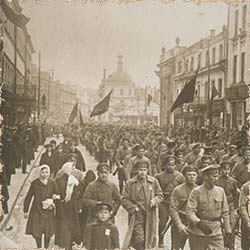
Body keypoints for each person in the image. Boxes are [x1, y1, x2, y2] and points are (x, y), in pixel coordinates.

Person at [186, 164, 231, 250]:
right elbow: (190, 211)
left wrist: (228, 230)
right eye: (214, 176)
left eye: (217, 176)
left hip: (216, 231)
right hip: (198, 232)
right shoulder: (196, 192)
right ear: (206, 177)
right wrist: (199, 223)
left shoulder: (220, 191)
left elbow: (225, 212)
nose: (216, 179)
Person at [122, 159, 163, 250]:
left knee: (149, 236)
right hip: (136, 214)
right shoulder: (130, 183)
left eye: (144, 170)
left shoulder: (153, 181)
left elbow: (160, 195)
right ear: (136, 170)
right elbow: (124, 199)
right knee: (139, 238)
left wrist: (154, 200)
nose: (142, 172)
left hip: (150, 213)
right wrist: (133, 207)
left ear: (147, 170)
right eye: (140, 170)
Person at [23, 165, 59, 249]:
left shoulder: (52, 182)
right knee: (37, 231)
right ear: (39, 173)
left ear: (49, 173)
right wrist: (25, 210)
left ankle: (46, 248)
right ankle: (39, 247)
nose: (44, 174)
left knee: (48, 231)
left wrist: (54, 198)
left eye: (46, 172)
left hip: (48, 210)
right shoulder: (35, 183)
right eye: (42, 172)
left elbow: (57, 194)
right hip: (37, 210)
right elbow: (29, 196)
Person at [155, 155, 185, 247]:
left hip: (175, 202)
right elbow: (156, 190)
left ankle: (177, 243)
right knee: (163, 222)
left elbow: (183, 189)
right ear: (165, 165)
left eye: (172, 165)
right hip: (164, 202)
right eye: (169, 165)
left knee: (177, 222)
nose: (170, 167)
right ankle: (161, 239)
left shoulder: (180, 176)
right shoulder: (159, 176)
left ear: (175, 165)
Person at [54, 162, 82, 250]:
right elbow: (56, 192)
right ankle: (65, 244)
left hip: (71, 207)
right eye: (72, 168)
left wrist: (74, 200)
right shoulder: (59, 180)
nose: (73, 170)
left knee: (71, 226)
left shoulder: (74, 179)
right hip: (62, 207)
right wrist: (60, 198)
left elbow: (79, 191)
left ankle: (69, 244)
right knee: (63, 226)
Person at [170, 166, 198, 250]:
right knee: (177, 248)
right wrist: (179, 225)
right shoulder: (178, 190)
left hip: (195, 224)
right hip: (181, 221)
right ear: (184, 176)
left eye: (194, 175)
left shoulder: (200, 190)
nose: (192, 177)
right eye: (189, 175)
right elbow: (173, 209)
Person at [216, 161, 239, 250]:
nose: (226, 171)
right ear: (221, 170)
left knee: (231, 227)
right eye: (224, 169)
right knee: (219, 227)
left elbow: (235, 195)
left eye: (228, 169)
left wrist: (236, 209)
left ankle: (230, 246)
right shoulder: (217, 180)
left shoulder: (233, 181)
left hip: (230, 206)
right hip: (219, 206)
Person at [239, 179, 250, 250]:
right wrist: (247, 220)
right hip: (248, 218)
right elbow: (242, 205)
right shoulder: (246, 187)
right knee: (246, 243)